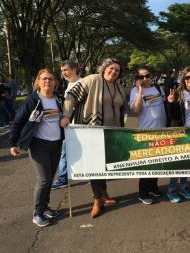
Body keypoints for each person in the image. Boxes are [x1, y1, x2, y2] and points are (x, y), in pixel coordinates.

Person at [61, 58, 126, 218]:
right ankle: (97, 200)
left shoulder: (119, 87)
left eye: (117, 70)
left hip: (112, 132)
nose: (114, 72)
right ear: (104, 68)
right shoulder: (93, 80)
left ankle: (103, 194)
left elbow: (121, 108)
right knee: (94, 166)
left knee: (105, 165)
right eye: (111, 68)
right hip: (92, 131)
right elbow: (71, 95)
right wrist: (66, 116)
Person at [9, 69, 63, 227]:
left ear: (55, 82)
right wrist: (13, 143)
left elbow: (66, 115)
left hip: (56, 144)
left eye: (51, 79)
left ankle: (45, 207)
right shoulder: (33, 100)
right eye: (44, 79)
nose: (48, 82)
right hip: (39, 145)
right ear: (38, 82)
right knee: (44, 179)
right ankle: (37, 213)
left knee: (50, 178)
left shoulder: (58, 99)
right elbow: (18, 122)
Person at [130, 66, 166, 205]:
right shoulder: (135, 91)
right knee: (147, 165)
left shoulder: (158, 88)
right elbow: (135, 109)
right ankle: (143, 192)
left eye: (147, 76)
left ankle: (153, 187)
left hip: (161, 130)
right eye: (141, 77)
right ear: (137, 79)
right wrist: (139, 91)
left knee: (157, 163)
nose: (145, 79)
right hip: (146, 132)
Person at [165, 67, 190, 202]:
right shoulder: (179, 93)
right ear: (183, 80)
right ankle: (172, 189)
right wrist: (170, 102)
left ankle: (183, 186)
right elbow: (172, 115)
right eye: (187, 77)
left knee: (187, 162)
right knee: (178, 163)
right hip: (182, 133)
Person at [52, 60, 82, 189]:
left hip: (79, 124)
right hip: (70, 126)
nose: (64, 73)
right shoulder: (69, 84)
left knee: (70, 151)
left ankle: (64, 178)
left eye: (66, 70)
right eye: (62, 70)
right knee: (65, 151)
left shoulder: (82, 83)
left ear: (74, 69)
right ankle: (63, 177)